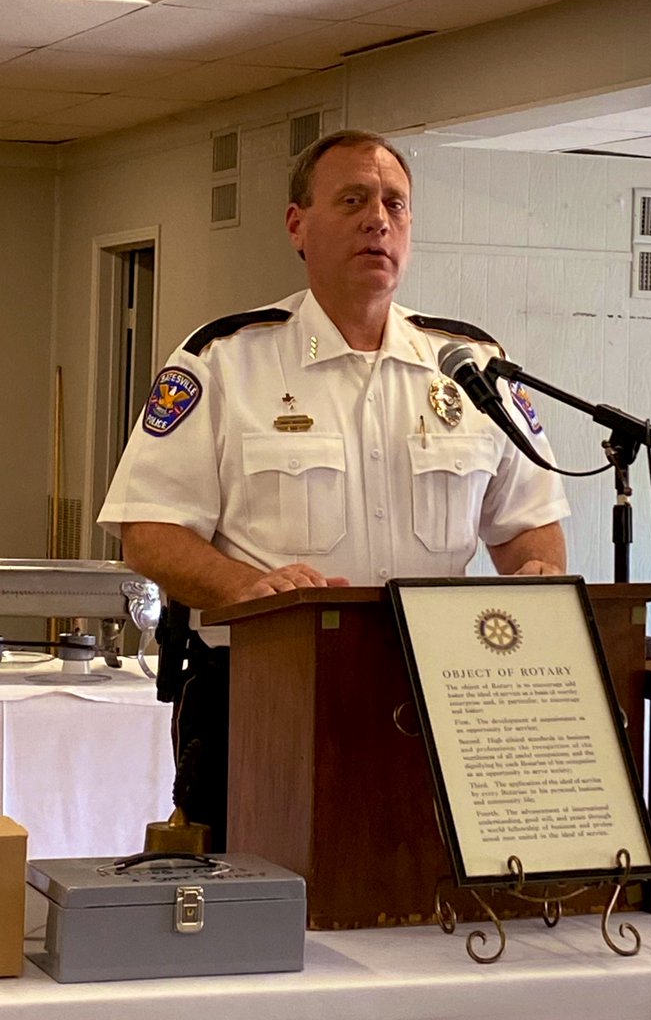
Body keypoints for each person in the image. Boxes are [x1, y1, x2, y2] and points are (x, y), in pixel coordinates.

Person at [98, 129, 570, 846]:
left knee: (427, 891)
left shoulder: (472, 367)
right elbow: (149, 532)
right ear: (298, 225)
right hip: (268, 691)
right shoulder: (225, 360)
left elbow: (526, 525)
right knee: (265, 915)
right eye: (352, 200)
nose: (377, 220)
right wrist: (244, 587)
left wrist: (537, 573)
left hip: (441, 689)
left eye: (395, 205)